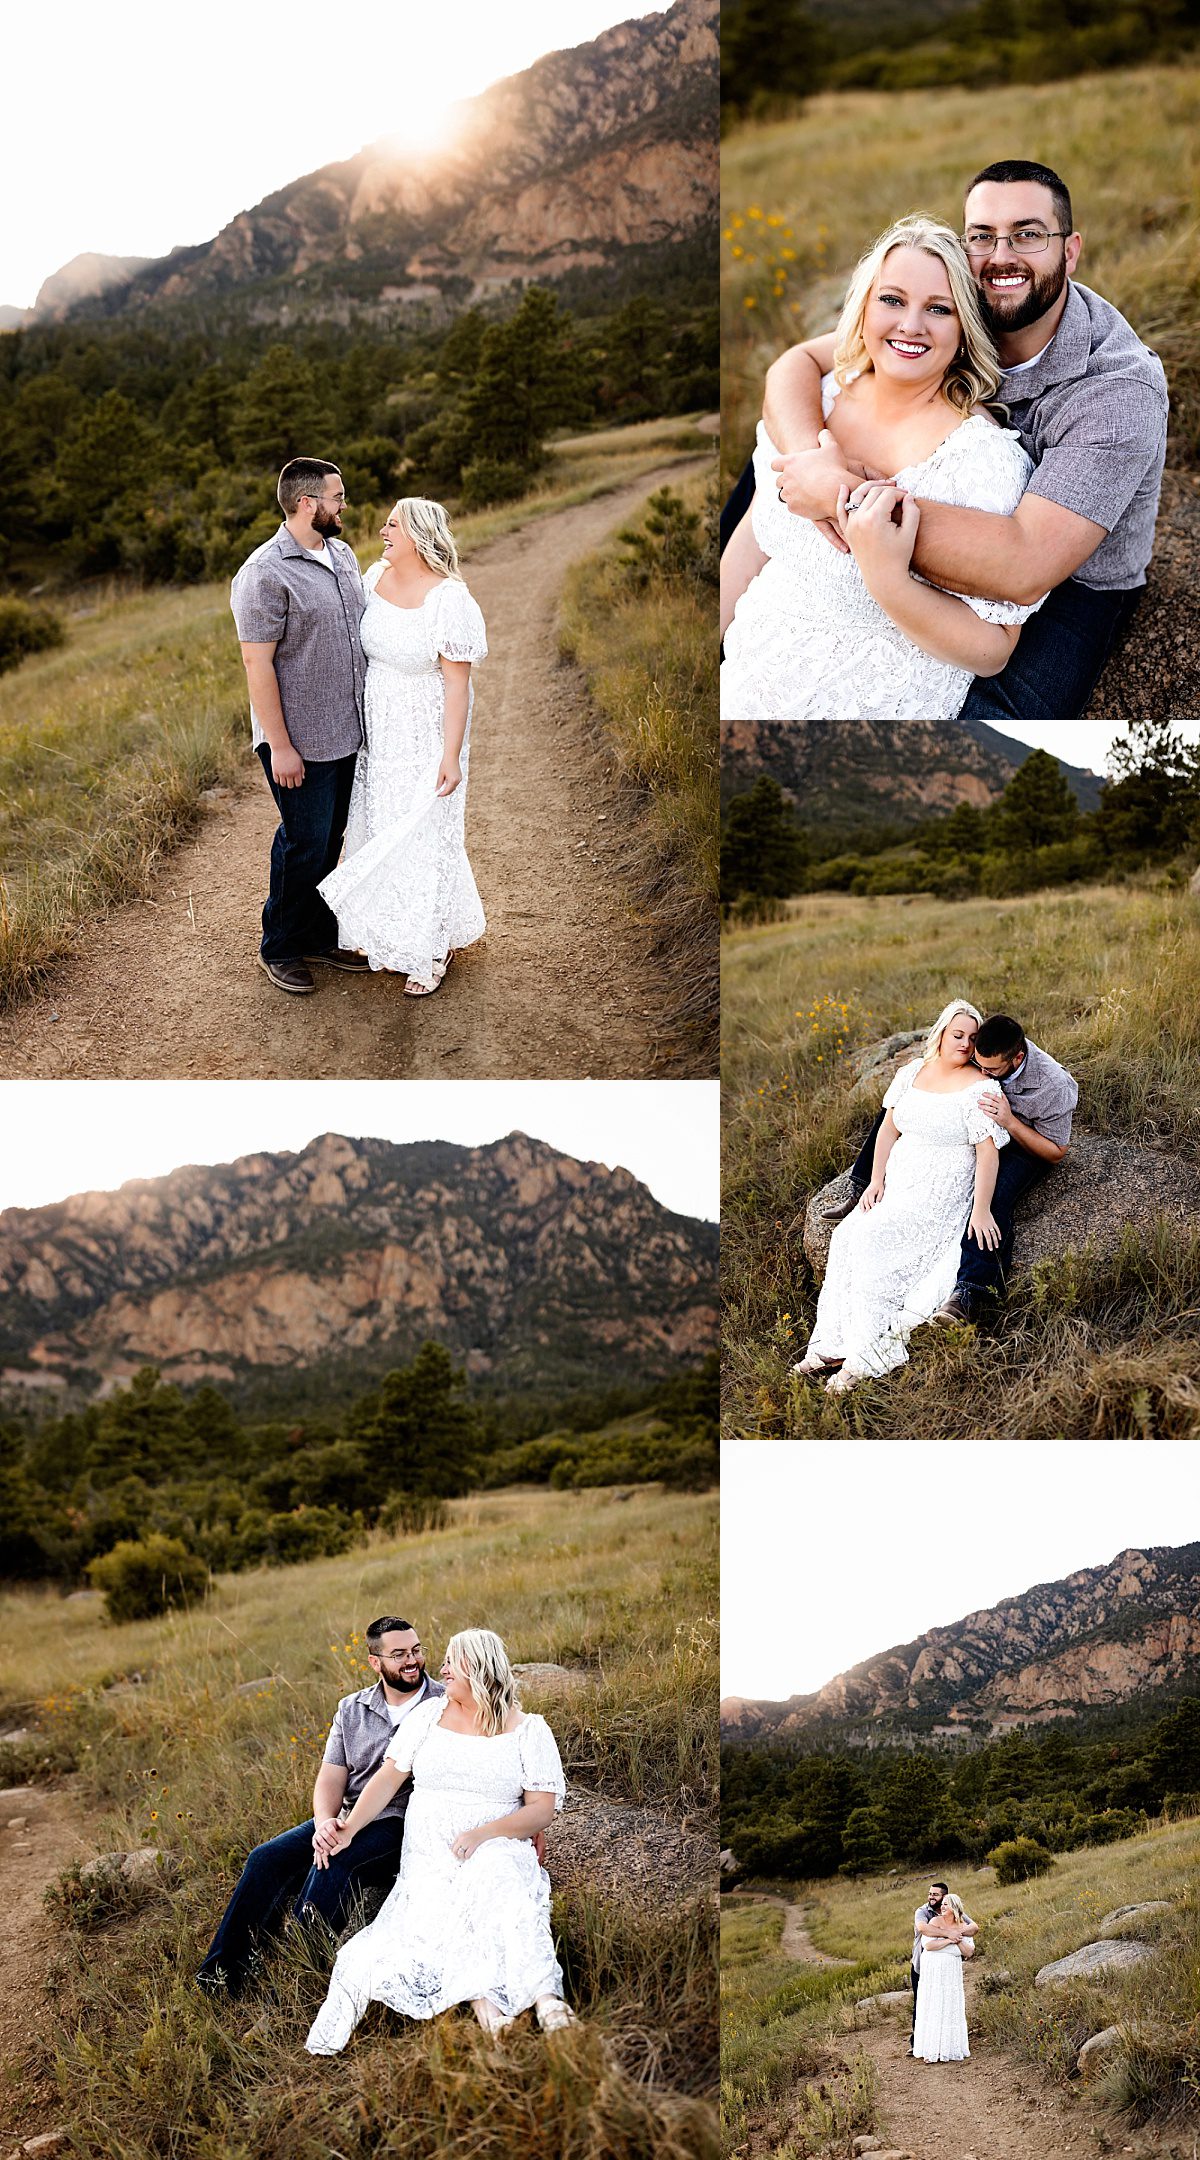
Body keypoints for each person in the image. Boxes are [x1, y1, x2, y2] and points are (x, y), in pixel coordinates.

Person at [726, 160, 1169, 721]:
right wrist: (812, 459)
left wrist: (839, 494)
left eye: (1028, 235)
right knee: (776, 461)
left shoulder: (1116, 391)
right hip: (931, 491)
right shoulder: (959, 307)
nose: (1002, 255)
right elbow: (804, 361)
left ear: (1070, 250)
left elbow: (1024, 565)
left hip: (1070, 571)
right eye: (982, 236)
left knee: (993, 727)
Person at [720, 215, 1044, 719]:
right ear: (864, 307)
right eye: (892, 300)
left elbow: (993, 650)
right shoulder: (826, 395)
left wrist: (888, 580)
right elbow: (757, 535)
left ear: (963, 331)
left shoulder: (980, 458)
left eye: (938, 309)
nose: (910, 325)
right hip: (745, 678)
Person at [305, 1627, 575, 2050]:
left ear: (476, 1668)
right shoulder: (429, 1716)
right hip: (430, 1852)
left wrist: (485, 1834)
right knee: (440, 1921)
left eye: (451, 1662)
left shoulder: (529, 1729)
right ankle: (490, 2015)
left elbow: (541, 1807)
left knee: (504, 1896)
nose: (442, 1670)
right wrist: (350, 1828)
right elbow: (388, 1778)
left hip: (494, 1843)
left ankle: (547, 2002)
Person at [196, 1617, 443, 1995]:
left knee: (334, 1862)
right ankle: (220, 1977)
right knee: (265, 1859)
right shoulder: (352, 1709)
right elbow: (330, 1777)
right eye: (399, 1655)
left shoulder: (443, 1704)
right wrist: (326, 1822)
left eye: (416, 1650)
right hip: (345, 1816)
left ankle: (298, 1974)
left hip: (399, 1823)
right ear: (375, 1662)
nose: (411, 1661)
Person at [318, 497, 487, 997]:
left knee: (426, 835)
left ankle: (429, 950)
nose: (383, 530)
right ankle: (388, 934)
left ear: (418, 534)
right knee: (379, 827)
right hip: (380, 733)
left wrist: (450, 755)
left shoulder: (449, 599)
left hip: (427, 735)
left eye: (393, 525)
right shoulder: (373, 579)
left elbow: (458, 686)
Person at [794, 1000, 1008, 1392]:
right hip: (899, 1181)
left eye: (972, 1038)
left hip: (939, 1191)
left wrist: (980, 1210)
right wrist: (875, 1181)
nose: (964, 1043)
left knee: (872, 1242)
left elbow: (987, 1152)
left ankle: (864, 1356)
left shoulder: (980, 1087)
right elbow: (888, 1131)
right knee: (845, 1237)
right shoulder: (912, 1072)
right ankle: (832, 1345)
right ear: (941, 1034)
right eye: (957, 1035)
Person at [822, 1012, 1078, 1324]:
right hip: (986, 1131)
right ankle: (860, 1184)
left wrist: (1009, 1121)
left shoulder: (1053, 1086)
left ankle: (969, 1293)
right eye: (978, 1064)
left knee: (991, 1197)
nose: (982, 1073)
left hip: (1026, 1145)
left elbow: (1056, 1152)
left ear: (1017, 1058)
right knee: (898, 1107)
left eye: (991, 1070)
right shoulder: (986, 1050)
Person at [231, 458, 374, 997]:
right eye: (338, 496)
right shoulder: (264, 573)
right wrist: (282, 745)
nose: (344, 505)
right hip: (300, 740)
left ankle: (317, 936)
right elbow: (256, 664)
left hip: (347, 729)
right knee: (303, 842)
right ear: (308, 502)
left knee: (332, 840)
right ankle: (282, 947)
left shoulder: (341, 554)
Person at [912, 1886, 976, 2064]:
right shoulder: (931, 1919)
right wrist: (949, 1938)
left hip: (951, 1971)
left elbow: (969, 1952)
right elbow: (929, 1945)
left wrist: (959, 1937)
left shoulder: (963, 1924)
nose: (943, 1906)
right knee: (932, 2004)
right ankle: (929, 2048)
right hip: (933, 1969)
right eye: (943, 1904)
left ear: (955, 1907)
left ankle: (950, 2048)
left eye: (946, 1904)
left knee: (949, 2006)